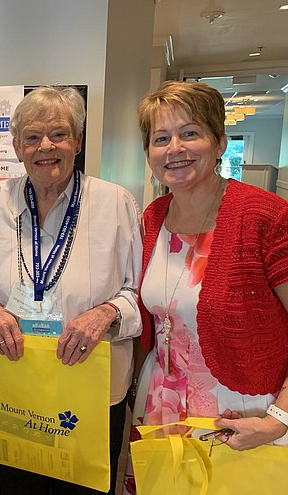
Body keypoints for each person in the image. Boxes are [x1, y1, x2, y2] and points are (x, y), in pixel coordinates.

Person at [0, 86, 143, 494]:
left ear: (78, 141)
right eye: (32, 137)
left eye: (59, 134)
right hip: (18, 383)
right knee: (19, 485)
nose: (45, 146)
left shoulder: (115, 203)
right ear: (16, 146)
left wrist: (105, 314)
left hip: (88, 387)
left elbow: (138, 293)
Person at [122, 80, 288, 493]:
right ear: (149, 154)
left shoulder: (266, 217)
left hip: (245, 417)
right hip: (161, 408)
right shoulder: (152, 218)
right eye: (161, 138)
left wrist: (277, 420)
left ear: (219, 143)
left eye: (190, 132)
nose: (174, 148)